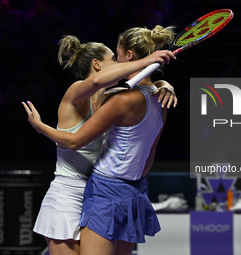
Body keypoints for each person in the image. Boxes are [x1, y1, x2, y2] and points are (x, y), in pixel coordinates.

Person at [23, 24, 176, 255]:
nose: (118, 63)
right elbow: (75, 137)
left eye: (118, 57)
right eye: (113, 59)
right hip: (69, 194)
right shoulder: (77, 92)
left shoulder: (112, 97)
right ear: (97, 65)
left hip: (98, 190)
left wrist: (164, 84)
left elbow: (143, 92)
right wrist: (40, 126)